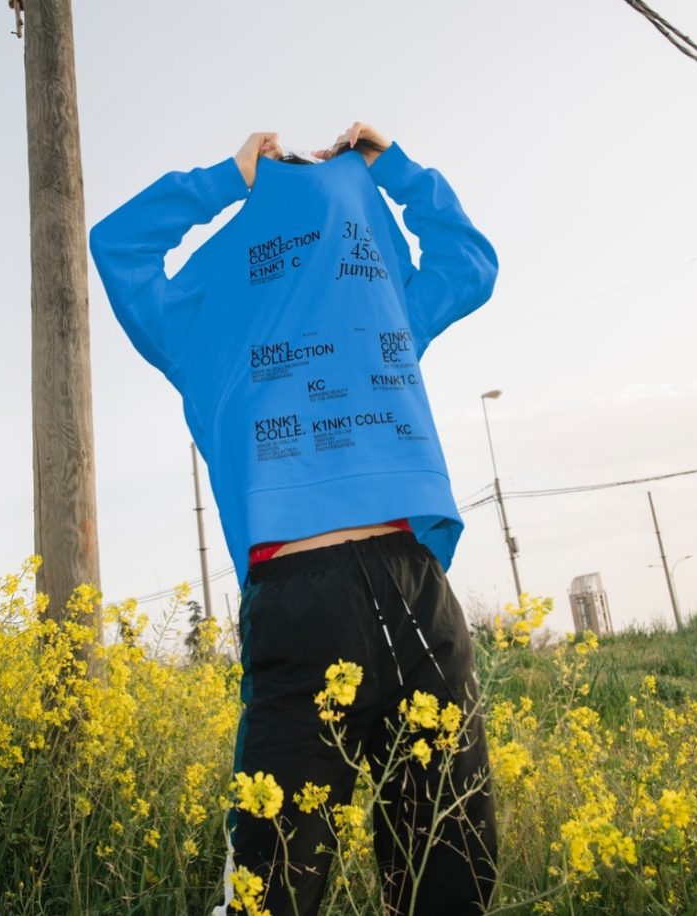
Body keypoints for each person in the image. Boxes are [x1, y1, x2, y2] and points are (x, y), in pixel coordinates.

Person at [89, 123, 499, 915]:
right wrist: (389, 170)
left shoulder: (332, 302)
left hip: (368, 588)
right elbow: (466, 261)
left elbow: (122, 246)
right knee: (307, 881)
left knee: (424, 869)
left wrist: (231, 179)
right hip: (355, 595)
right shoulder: (244, 318)